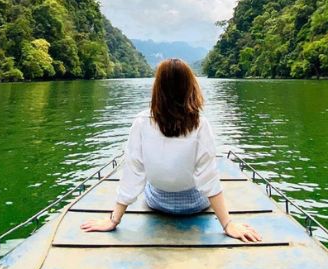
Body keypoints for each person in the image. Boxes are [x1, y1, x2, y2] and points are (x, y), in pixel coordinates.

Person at [80, 58, 262, 242]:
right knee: (207, 169)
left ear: (158, 88)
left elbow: (133, 172)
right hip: (195, 204)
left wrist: (114, 219)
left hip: (158, 202)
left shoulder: (142, 122)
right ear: (190, 86)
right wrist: (227, 224)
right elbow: (208, 178)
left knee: (148, 180)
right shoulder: (200, 124)